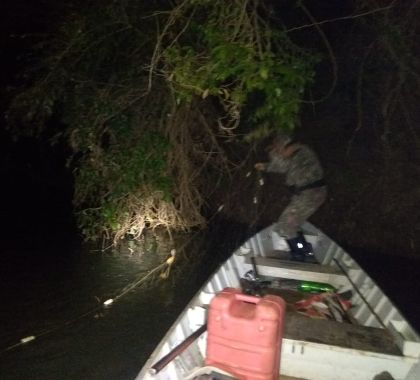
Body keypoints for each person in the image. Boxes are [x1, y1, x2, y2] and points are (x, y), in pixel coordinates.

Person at [255, 133, 327, 261]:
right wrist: (265, 166)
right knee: (287, 225)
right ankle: (304, 250)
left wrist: (273, 154)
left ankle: (300, 254)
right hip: (305, 195)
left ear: (286, 146)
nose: (277, 152)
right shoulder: (297, 154)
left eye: (277, 148)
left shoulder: (302, 153)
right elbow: (282, 166)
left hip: (311, 195)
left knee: (286, 226)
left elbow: (282, 160)